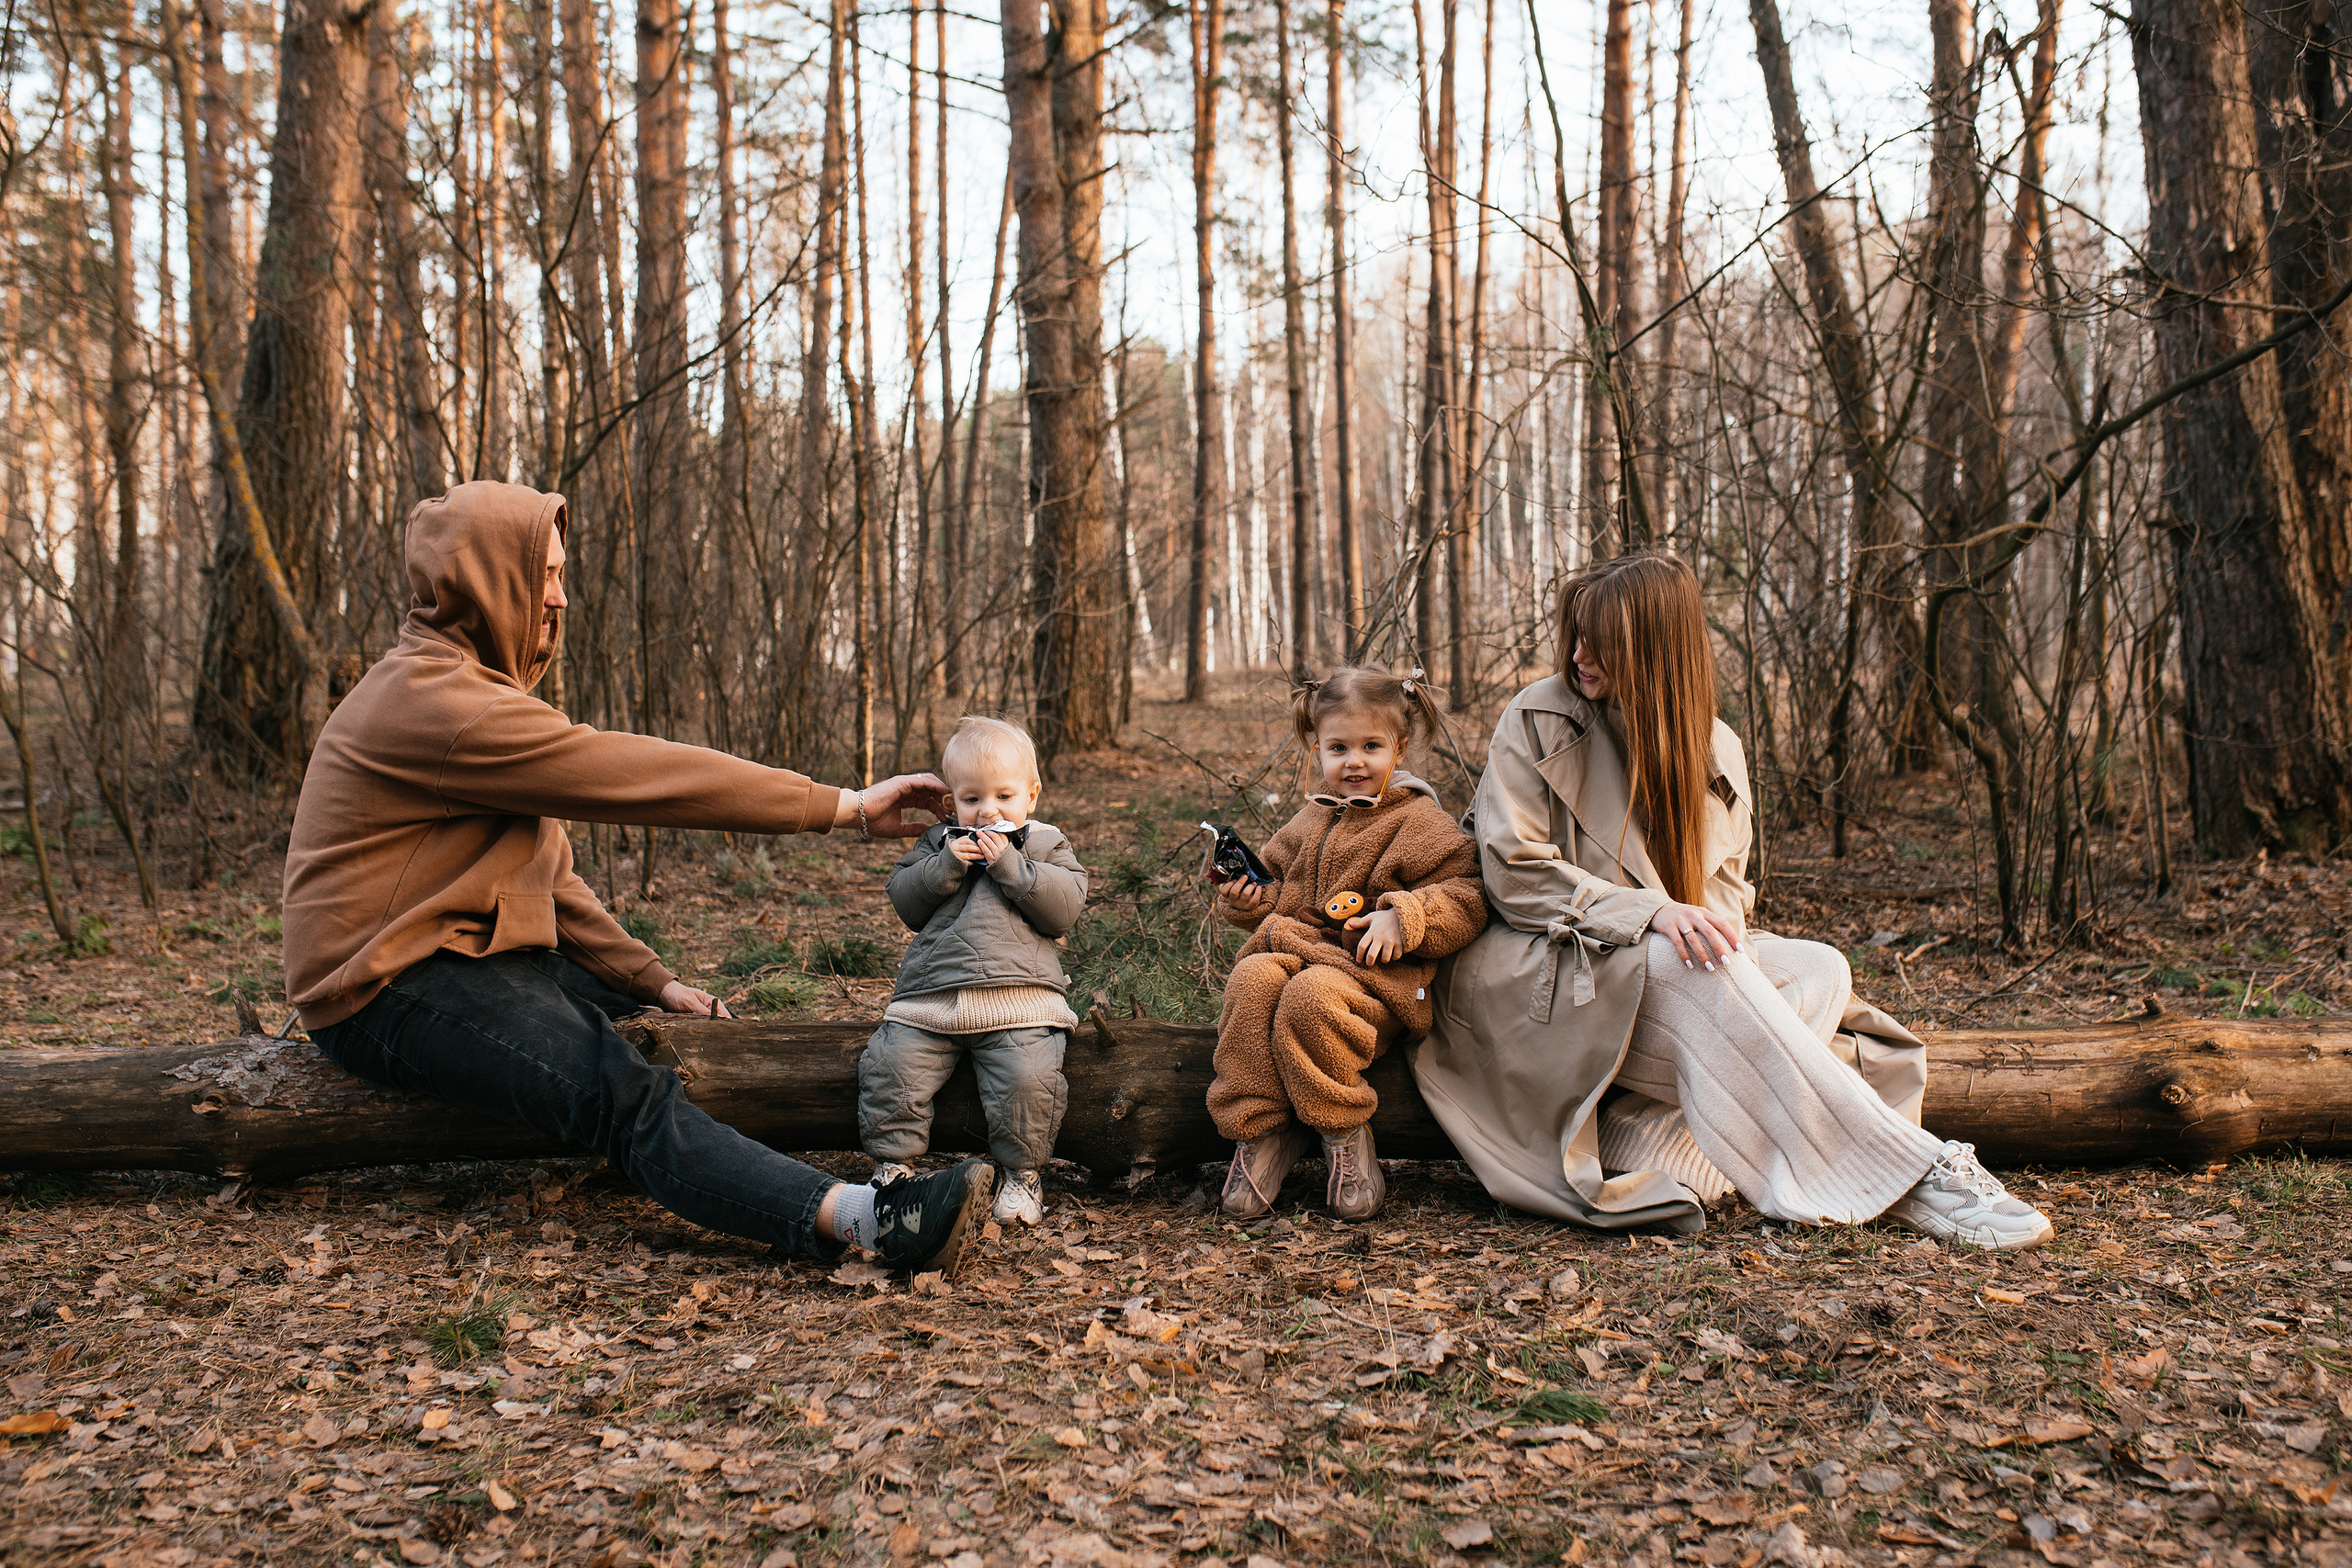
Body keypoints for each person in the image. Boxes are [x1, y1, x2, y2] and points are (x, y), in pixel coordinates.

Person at [286, 481, 992, 1275]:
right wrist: (844, 807)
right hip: (378, 985)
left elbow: (547, 873)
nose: (559, 595)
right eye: (542, 575)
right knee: (617, 1087)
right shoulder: (436, 703)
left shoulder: (476, 693)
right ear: (485, 579)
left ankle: (775, 1159)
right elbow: (644, 774)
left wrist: (651, 982)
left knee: (676, 1031)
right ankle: (864, 1219)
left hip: (458, 951)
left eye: (560, 571)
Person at [1416, 552, 2053, 1250]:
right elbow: (1514, 875)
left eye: (1601, 641)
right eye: (1575, 633)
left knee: (1820, 969)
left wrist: (1721, 943)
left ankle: (1657, 1141)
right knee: (1696, 966)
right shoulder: (1537, 718)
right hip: (1542, 969)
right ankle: (1910, 1175)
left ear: (1655, 648)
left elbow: (1725, 901)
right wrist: (1652, 914)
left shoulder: (1717, 746)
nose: (1578, 655)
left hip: (1654, 981)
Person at [1210, 668, 1489, 1223]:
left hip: (1375, 983)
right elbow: (1278, 888)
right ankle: (1263, 1132)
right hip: (1298, 954)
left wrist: (1403, 917)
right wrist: (1248, 903)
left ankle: (1343, 1131)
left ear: (1399, 748)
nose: (1353, 762)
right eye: (1338, 748)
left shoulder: (1418, 821)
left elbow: (1468, 895)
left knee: (1311, 996)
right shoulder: (1310, 818)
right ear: (1318, 749)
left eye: (1371, 747)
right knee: (1252, 979)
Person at [860, 716, 1087, 1228]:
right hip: (932, 996)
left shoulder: (1046, 844)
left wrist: (1011, 866)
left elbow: (1064, 906)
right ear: (951, 804)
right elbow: (905, 900)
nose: (988, 811)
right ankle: (893, 1167)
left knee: (1029, 1078)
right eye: (972, 799)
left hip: (1020, 995)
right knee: (891, 1064)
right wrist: (943, 867)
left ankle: (1022, 1176)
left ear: (1031, 795)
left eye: (1004, 797)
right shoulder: (939, 842)